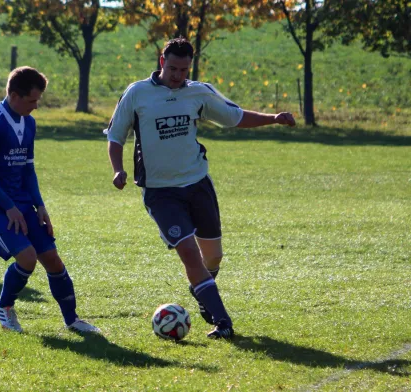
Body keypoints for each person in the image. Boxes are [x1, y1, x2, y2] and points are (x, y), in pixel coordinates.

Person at [104, 38, 295, 339]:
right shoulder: (137, 93)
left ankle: (202, 288)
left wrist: (273, 118)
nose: (178, 75)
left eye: (184, 69)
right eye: (173, 68)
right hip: (161, 192)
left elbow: (234, 117)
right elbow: (115, 136)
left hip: (197, 184)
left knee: (214, 257)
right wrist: (117, 169)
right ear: (161, 60)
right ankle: (223, 321)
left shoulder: (198, 92)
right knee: (190, 255)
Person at [0, 66, 100, 334]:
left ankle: (72, 320)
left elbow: (27, 168)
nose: (36, 106)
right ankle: (3, 307)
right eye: (32, 100)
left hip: (20, 203)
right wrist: (9, 208)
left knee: (52, 258)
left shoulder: (29, 122)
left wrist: (39, 205)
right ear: (14, 96)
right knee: (27, 257)